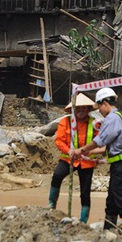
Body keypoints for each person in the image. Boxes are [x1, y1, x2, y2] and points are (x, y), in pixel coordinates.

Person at [71, 87, 122, 234]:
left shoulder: (112, 118)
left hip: (121, 165)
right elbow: (108, 145)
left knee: (121, 199)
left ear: (105, 103)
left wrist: (82, 150)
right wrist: (92, 152)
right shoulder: (118, 117)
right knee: (111, 200)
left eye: (99, 106)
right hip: (120, 164)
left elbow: (100, 140)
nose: (99, 110)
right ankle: (108, 232)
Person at [48, 93, 104, 223]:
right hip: (68, 159)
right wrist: (69, 151)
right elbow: (59, 141)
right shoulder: (65, 122)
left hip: (86, 161)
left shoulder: (94, 124)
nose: (81, 111)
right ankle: (51, 204)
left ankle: (83, 219)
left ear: (89, 109)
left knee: (85, 190)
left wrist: (91, 152)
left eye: (84, 108)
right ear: (73, 109)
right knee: (57, 176)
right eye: (78, 109)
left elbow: (99, 140)